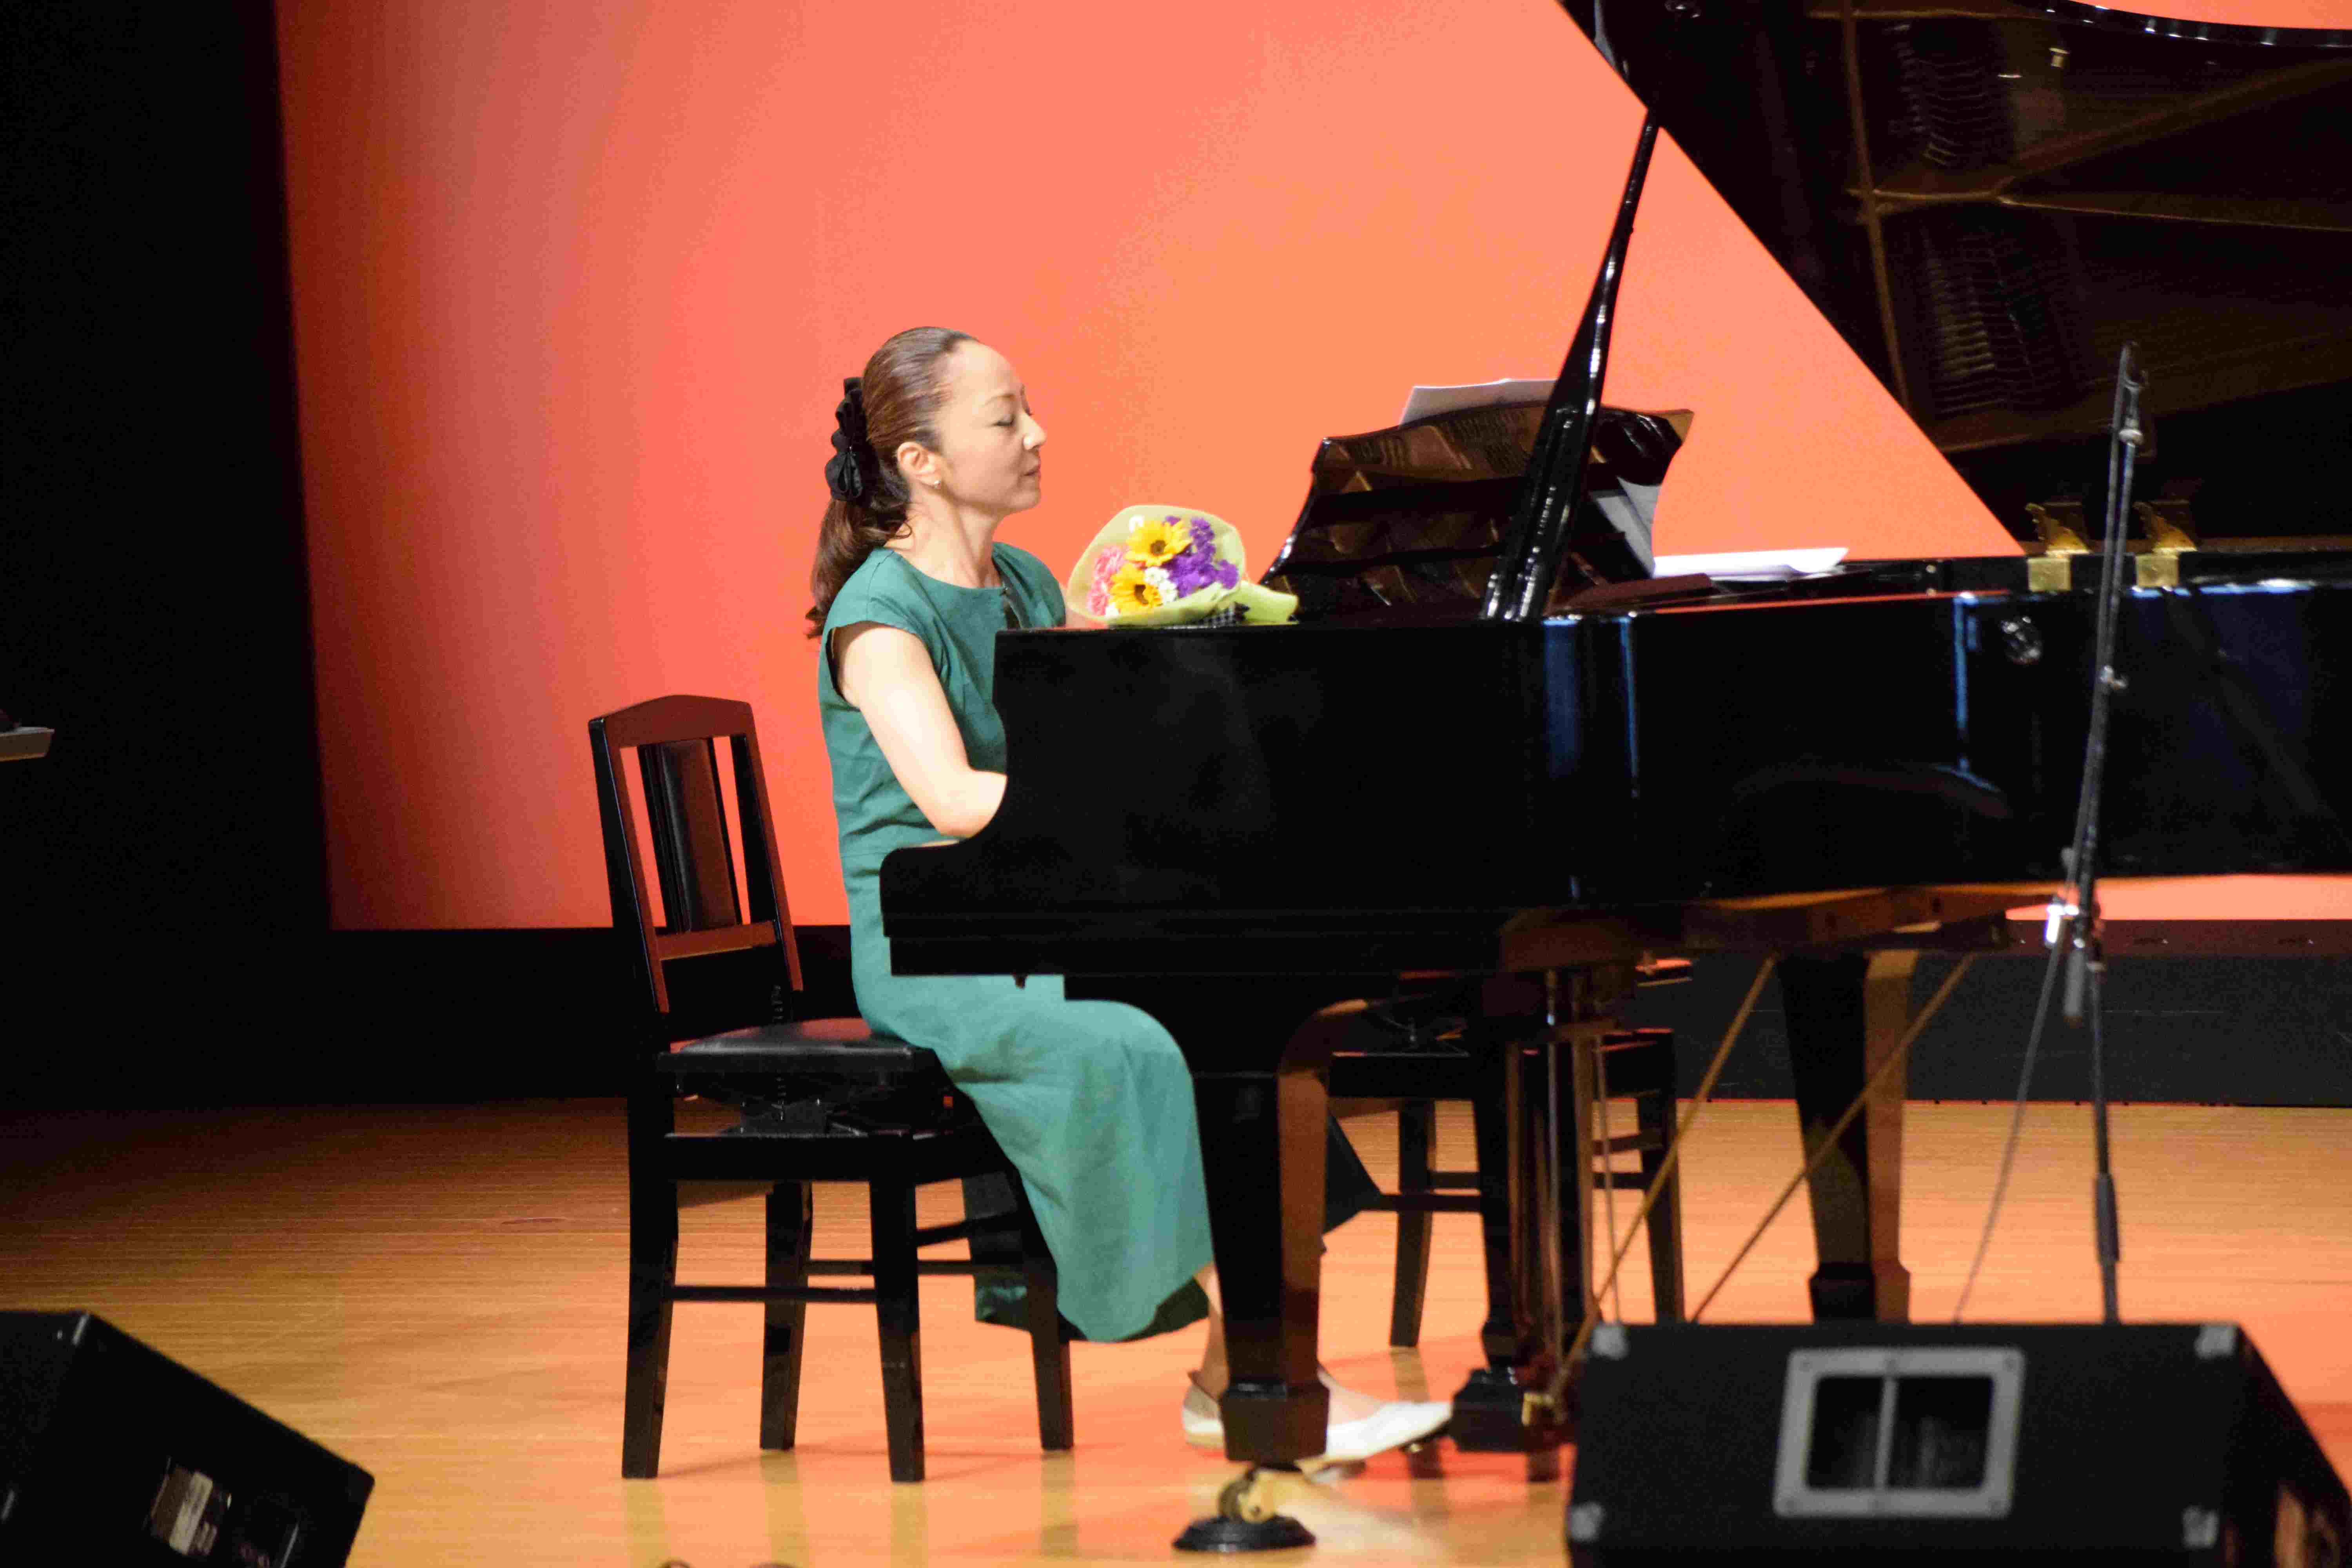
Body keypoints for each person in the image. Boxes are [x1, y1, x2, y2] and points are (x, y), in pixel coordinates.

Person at [810, 325, 1451, 1460]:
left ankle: (1248, 1375)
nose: (1036, 432)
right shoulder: (880, 616)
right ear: (921, 461)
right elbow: (954, 800)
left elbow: (1097, 733)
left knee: (1247, 1028)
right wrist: (1116, 799)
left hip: (1041, 919)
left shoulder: (1023, 582)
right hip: (935, 945)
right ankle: (1266, 1379)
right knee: (1143, 1044)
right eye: (1004, 417)